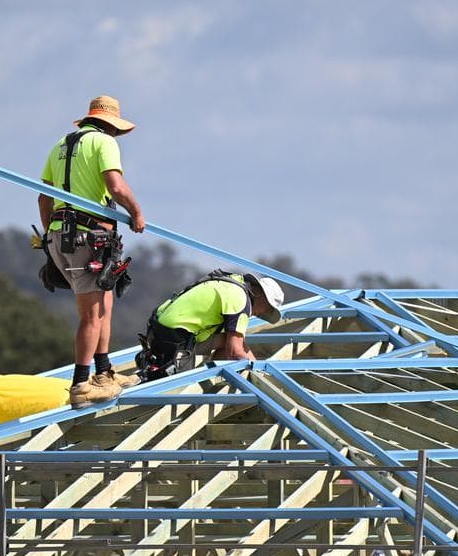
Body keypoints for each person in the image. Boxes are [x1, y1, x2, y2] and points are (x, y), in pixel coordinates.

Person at [39, 95, 146, 408]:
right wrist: (136, 213)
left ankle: (104, 374)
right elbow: (116, 186)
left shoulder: (59, 146)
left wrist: (49, 236)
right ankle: (81, 384)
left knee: (104, 306)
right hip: (89, 238)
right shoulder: (104, 143)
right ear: (110, 126)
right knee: (91, 315)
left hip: (63, 236)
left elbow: (44, 199)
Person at [135, 271, 285, 381]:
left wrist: (257, 366)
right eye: (268, 309)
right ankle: (204, 381)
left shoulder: (231, 284)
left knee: (227, 340)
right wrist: (259, 375)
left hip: (158, 331)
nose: (262, 313)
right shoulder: (241, 300)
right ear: (262, 297)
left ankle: (207, 378)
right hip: (175, 339)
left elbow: (234, 344)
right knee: (177, 393)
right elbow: (235, 350)